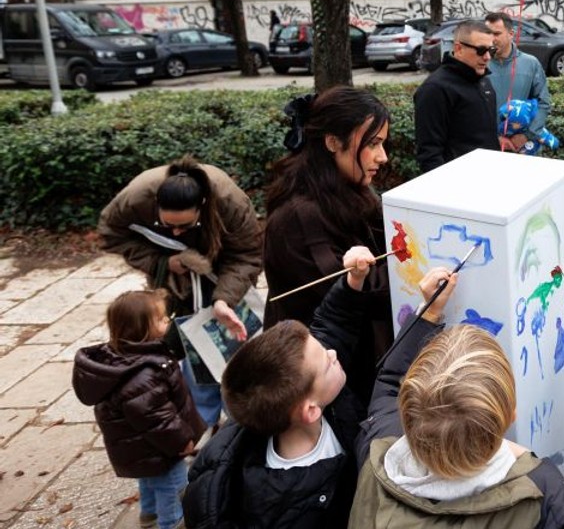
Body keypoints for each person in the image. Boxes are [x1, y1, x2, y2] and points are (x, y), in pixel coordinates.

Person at [351, 267, 564, 528]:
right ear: (511, 416)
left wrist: (429, 312)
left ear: (406, 412)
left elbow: (389, 383)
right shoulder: (546, 492)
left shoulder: (377, 450)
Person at [183, 248, 378, 529]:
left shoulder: (295, 396)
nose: (333, 353)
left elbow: (329, 329)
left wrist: (352, 282)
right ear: (310, 411)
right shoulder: (284, 511)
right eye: (326, 362)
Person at [98, 155, 262, 425]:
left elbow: (247, 255)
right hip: (175, 276)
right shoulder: (136, 198)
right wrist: (161, 262)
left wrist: (225, 300)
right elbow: (109, 234)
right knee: (188, 340)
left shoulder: (230, 203)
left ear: (203, 206)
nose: (175, 232)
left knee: (231, 345)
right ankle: (199, 420)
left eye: (184, 226)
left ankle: (241, 417)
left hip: (224, 268)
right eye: (167, 225)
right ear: (155, 206)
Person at [263, 86, 393, 402]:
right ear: (333, 142)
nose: (383, 156)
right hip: (317, 384)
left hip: (350, 363)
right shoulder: (298, 217)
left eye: (383, 143)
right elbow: (349, 293)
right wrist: (417, 272)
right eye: (373, 144)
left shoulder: (349, 190)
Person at [73, 290, 207, 529]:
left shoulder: (128, 358)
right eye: (161, 319)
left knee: (149, 479)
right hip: (161, 448)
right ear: (141, 329)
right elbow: (157, 419)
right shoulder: (143, 373)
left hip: (142, 448)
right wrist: (181, 442)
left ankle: (149, 514)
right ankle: (171, 523)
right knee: (173, 490)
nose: (167, 321)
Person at [413, 19, 502, 172]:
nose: (487, 57)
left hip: (490, 175)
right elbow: (429, 154)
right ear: (459, 48)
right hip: (457, 182)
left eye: (491, 50)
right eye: (481, 50)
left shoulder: (483, 80)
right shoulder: (435, 89)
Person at [486, 12, 552, 152]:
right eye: (488, 34)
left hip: (522, 148)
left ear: (511, 34)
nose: (491, 39)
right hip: (488, 147)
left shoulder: (531, 63)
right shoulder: (480, 65)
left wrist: (526, 135)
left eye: (496, 34)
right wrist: (494, 138)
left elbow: (543, 103)